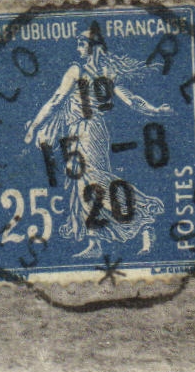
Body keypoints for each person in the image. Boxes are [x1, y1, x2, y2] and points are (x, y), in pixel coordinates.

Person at [23, 24, 171, 257]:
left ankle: (142, 218)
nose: (78, 48)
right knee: (83, 183)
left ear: (94, 48)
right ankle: (97, 241)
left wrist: (34, 125)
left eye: (82, 44)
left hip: (87, 131)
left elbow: (55, 100)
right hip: (87, 131)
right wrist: (153, 110)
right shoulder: (108, 73)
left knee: (92, 180)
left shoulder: (77, 70)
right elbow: (132, 100)